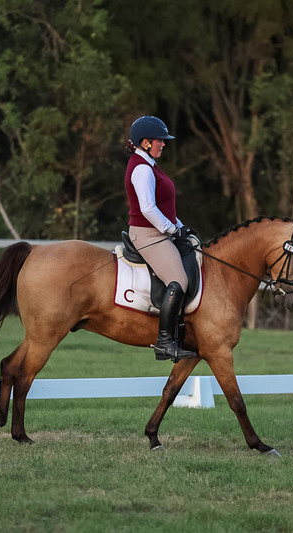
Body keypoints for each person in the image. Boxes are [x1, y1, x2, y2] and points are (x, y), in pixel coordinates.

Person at [124, 115, 196, 362]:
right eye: (160, 140)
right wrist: (172, 230)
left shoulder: (149, 164)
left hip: (159, 231)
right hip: (148, 235)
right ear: (145, 142)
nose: (163, 144)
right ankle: (165, 343)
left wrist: (181, 227)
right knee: (179, 280)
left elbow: (164, 208)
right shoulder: (142, 169)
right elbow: (148, 208)